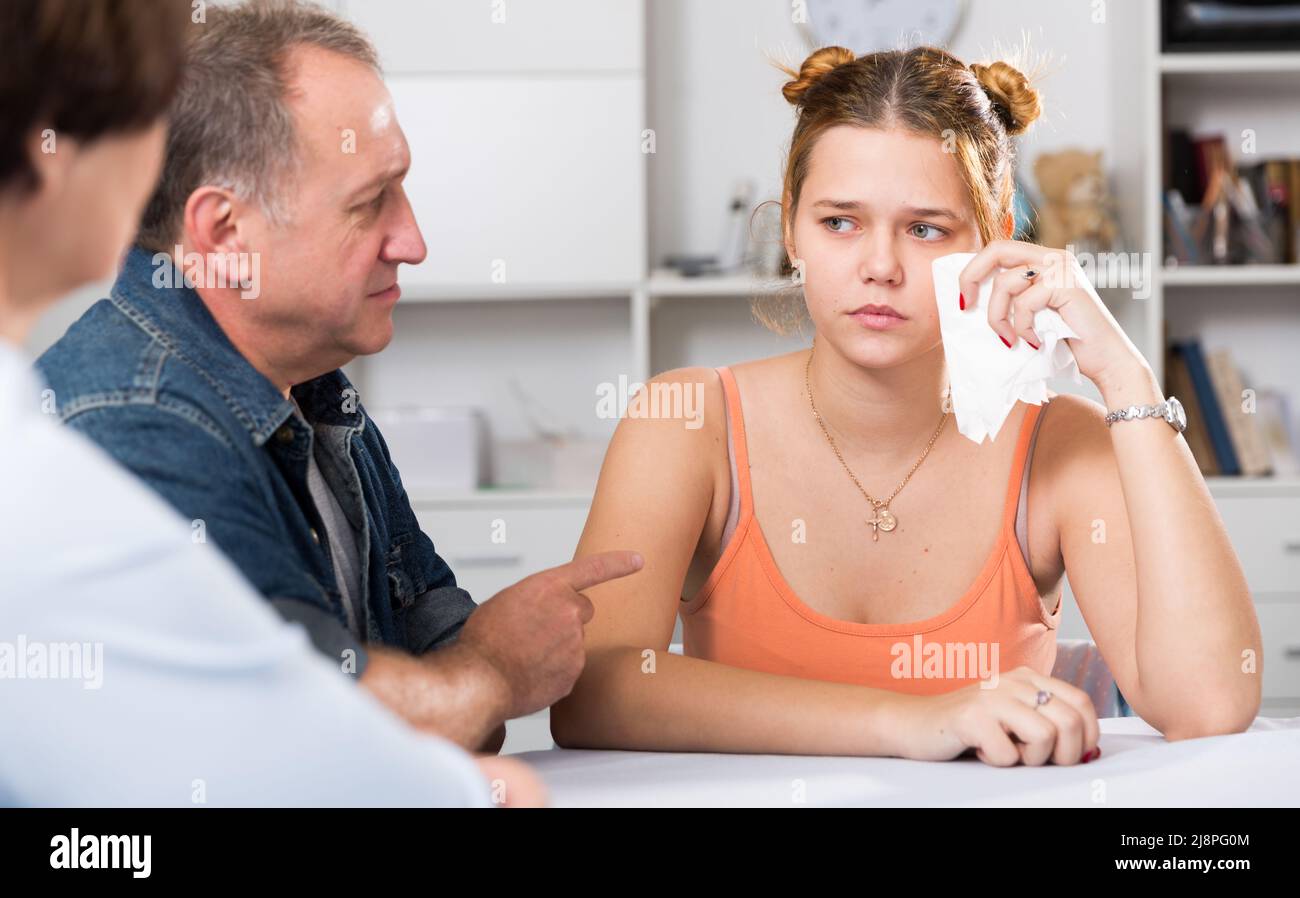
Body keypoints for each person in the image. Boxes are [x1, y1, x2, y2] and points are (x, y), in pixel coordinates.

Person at [551, 45, 1261, 765]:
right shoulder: (687, 421)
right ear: (792, 227)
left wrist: (1128, 378)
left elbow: (1208, 703)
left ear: (992, 243)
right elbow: (593, 691)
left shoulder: (1061, 444)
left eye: (925, 229)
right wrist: (913, 722)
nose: (880, 267)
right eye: (839, 222)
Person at [35, 0, 642, 755]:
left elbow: (434, 661)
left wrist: (482, 665)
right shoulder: (134, 422)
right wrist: (493, 671)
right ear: (223, 233)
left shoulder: (315, 389)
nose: (413, 241)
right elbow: (295, 734)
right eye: (369, 202)